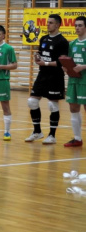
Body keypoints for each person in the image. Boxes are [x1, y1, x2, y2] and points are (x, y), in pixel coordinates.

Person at [25, 14, 69, 144]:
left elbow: (62, 63)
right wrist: (37, 58)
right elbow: (41, 56)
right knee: (32, 102)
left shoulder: (62, 41)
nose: (47, 24)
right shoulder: (43, 38)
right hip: (42, 75)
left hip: (55, 76)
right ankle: (37, 131)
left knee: (52, 105)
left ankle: (52, 135)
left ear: (57, 25)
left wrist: (47, 64)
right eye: (47, 22)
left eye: (50, 22)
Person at [63, 16, 86, 147]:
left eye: (80, 25)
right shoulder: (71, 44)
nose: (77, 28)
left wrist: (83, 66)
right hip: (73, 80)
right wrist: (65, 66)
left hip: (85, 80)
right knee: (73, 107)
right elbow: (69, 60)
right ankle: (77, 138)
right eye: (76, 25)